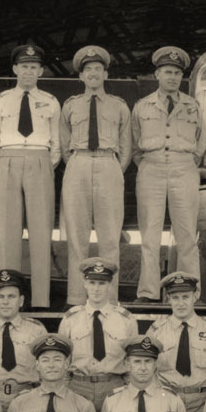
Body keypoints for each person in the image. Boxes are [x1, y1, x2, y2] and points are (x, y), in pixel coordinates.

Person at [0, 45, 60, 310]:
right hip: (7, 159)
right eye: (24, 66)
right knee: (7, 232)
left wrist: (40, 163)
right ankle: (8, 300)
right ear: (15, 69)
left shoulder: (51, 101)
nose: (28, 71)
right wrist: (7, 162)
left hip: (40, 159)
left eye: (33, 67)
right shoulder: (1, 99)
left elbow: (56, 142)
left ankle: (40, 301)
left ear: (40, 71)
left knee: (41, 232)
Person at [132, 46, 206, 302]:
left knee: (187, 234)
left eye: (176, 72)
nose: (172, 77)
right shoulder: (142, 106)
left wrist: (182, 161)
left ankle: (189, 291)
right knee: (149, 235)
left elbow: (201, 143)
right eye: (167, 72)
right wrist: (151, 162)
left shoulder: (194, 107)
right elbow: (134, 145)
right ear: (157, 74)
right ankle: (148, 292)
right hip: (151, 168)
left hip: (183, 168)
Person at [61, 45, 132, 306]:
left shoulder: (119, 106)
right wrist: (80, 162)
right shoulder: (70, 106)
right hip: (78, 163)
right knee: (76, 235)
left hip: (108, 163)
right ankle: (77, 299)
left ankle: (110, 300)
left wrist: (112, 167)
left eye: (97, 69)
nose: (93, 73)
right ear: (81, 76)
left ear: (105, 74)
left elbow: (126, 147)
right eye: (88, 69)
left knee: (110, 236)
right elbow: (64, 143)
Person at [145, 271, 206, 412]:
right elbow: (149, 371)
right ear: (168, 299)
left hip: (203, 402)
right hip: (167, 399)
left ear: (195, 296)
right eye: (175, 298)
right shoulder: (156, 331)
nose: (180, 303)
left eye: (185, 297)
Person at [58, 258, 139, 412]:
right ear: (85, 284)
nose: (96, 288)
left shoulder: (126, 319)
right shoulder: (70, 319)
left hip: (114, 385)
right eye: (92, 283)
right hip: (78, 386)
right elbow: (63, 361)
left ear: (109, 285)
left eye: (102, 283)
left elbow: (132, 361)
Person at [0, 269, 48, 412]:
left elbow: (44, 368)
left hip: (25, 396)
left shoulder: (36, 330)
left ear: (21, 300)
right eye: (0, 297)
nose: (5, 302)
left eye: (11, 296)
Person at [4, 334, 95, 412]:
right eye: (45, 360)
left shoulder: (83, 405)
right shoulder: (19, 403)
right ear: (37, 365)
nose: (51, 365)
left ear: (66, 364)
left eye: (57, 360)